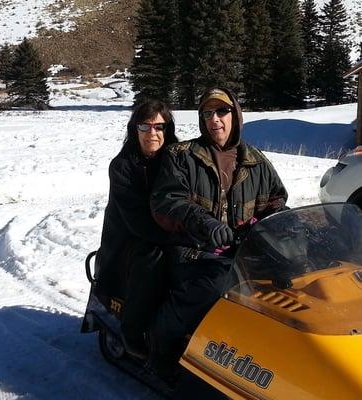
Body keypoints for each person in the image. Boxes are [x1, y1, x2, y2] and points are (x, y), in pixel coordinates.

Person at [149, 87, 288, 368]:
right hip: (194, 252)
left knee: (289, 281)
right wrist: (205, 223)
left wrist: (281, 222)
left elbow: (276, 200)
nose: (215, 119)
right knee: (216, 284)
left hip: (243, 252)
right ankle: (160, 345)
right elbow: (167, 200)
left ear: (235, 115)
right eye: (208, 113)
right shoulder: (181, 156)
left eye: (222, 111)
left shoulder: (257, 161)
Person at [93, 99, 180, 360]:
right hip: (127, 242)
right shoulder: (122, 166)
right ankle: (133, 330)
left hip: (167, 231)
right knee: (153, 258)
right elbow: (138, 220)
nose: (153, 133)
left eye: (159, 127)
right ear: (135, 129)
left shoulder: (178, 158)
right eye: (145, 126)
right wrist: (179, 236)